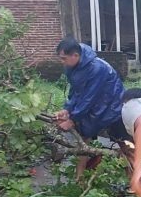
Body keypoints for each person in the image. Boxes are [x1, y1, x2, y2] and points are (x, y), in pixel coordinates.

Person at [54, 38, 126, 179]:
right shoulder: (71, 67)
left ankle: (134, 173)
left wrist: (73, 119)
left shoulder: (96, 68)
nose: (62, 61)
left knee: (121, 139)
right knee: (84, 135)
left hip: (110, 102)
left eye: (64, 58)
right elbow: (76, 91)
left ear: (75, 55)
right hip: (93, 100)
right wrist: (67, 109)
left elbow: (89, 96)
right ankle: (79, 177)